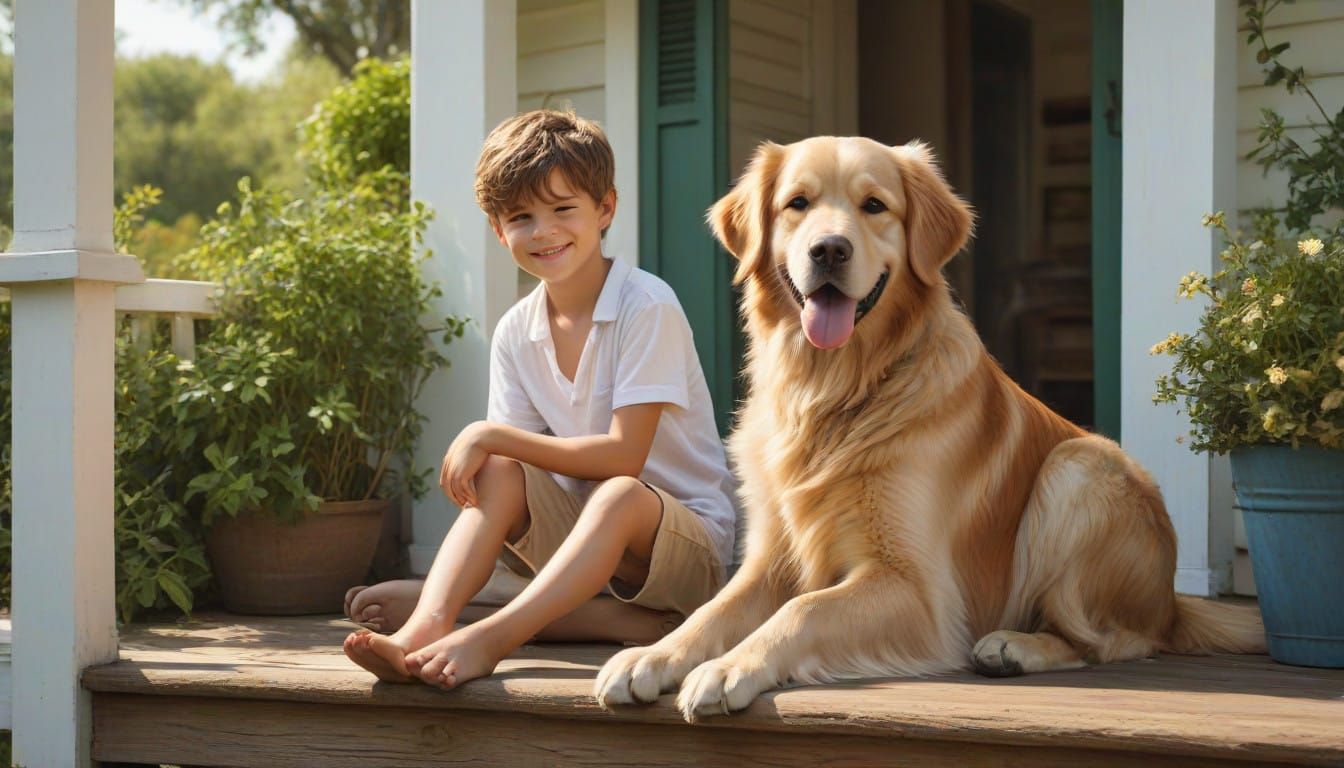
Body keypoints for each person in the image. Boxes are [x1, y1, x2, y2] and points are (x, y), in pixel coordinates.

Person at [343, 109, 736, 688]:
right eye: (521, 217)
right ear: (499, 230)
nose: (544, 231)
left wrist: (488, 433)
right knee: (499, 469)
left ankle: (490, 634)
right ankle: (429, 625)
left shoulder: (646, 305)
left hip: (684, 550)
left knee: (616, 492)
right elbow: (508, 477)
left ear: (605, 208)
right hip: (586, 551)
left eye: (563, 209)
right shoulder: (516, 330)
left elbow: (624, 457)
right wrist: (496, 448)